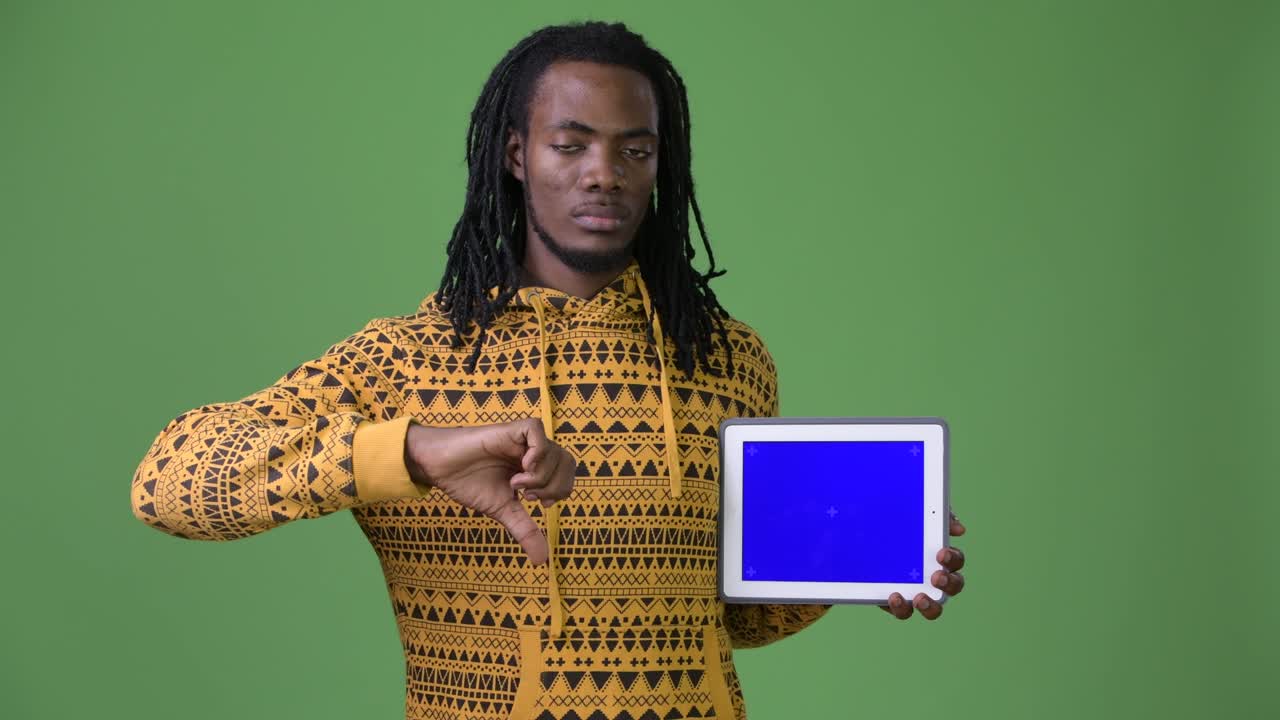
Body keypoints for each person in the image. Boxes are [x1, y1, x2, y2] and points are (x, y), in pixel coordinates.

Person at [131, 20, 967, 720]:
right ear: (516, 154)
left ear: (658, 165)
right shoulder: (406, 360)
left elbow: (726, 619)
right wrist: (415, 453)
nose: (605, 173)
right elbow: (168, 480)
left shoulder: (728, 359)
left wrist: (854, 563)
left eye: (634, 150)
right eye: (572, 144)